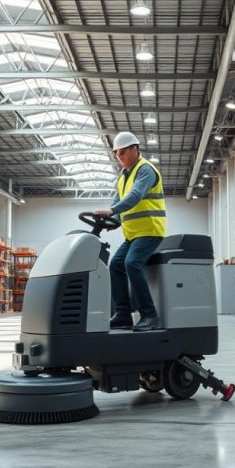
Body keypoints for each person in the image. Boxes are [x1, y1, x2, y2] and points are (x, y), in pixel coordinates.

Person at [95, 131, 166, 332]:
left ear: (135, 149)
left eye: (123, 152)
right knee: (115, 265)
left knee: (131, 263)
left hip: (150, 230)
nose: (120, 157)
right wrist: (113, 220)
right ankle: (123, 315)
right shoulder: (123, 177)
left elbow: (135, 196)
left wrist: (112, 211)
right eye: (117, 153)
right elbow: (118, 201)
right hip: (133, 235)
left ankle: (150, 315)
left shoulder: (145, 170)